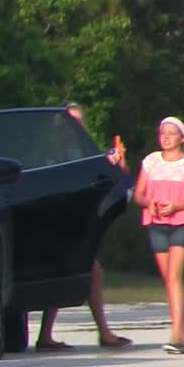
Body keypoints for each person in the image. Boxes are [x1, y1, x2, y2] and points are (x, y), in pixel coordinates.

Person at [35, 102, 133, 351]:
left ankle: (48, 335)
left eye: (79, 121)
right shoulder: (49, 150)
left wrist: (117, 166)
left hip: (78, 221)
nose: (76, 126)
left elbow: (112, 182)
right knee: (87, 271)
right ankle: (103, 333)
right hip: (52, 220)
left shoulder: (84, 150)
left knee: (79, 271)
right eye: (70, 121)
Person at [132, 116, 184, 354]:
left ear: (182, 138)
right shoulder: (151, 161)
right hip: (156, 223)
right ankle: (182, 334)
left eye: (171, 133)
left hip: (183, 222)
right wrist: (150, 203)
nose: (165, 137)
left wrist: (177, 206)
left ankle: (176, 335)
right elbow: (138, 195)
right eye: (162, 132)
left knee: (174, 277)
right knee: (168, 280)